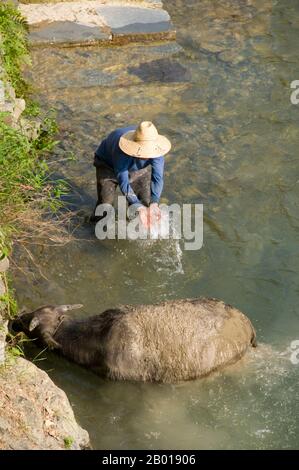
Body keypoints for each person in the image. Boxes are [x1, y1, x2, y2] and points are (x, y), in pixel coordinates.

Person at [92, 121, 171, 228]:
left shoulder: (156, 151)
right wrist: (136, 204)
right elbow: (123, 181)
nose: (146, 154)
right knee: (105, 205)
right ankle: (94, 230)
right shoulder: (121, 150)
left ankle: (133, 229)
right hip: (107, 165)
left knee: (145, 203)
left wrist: (154, 203)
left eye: (148, 151)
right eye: (144, 151)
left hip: (137, 168)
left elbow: (157, 178)